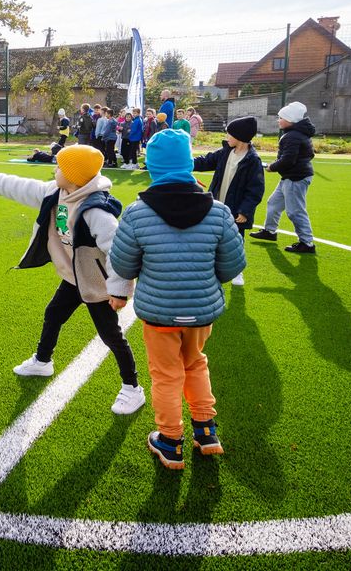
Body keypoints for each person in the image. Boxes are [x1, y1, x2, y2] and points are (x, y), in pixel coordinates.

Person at [0, 144, 146, 415]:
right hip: (74, 278)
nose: (55, 169)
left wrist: (119, 290)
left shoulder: (97, 211)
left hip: (97, 285)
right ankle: (42, 361)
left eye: (60, 167)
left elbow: (117, 250)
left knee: (111, 335)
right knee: (53, 314)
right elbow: (25, 187)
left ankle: (132, 388)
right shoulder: (56, 192)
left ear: (75, 177)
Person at [110, 129, 246, 469]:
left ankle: (170, 441)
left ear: (153, 168)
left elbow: (122, 264)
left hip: (160, 314)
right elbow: (232, 266)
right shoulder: (218, 212)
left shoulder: (137, 213)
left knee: (166, 374)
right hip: (201, 311)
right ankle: (205, 430)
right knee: (196, 362)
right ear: (188, 165)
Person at [193, 116, 265, 285]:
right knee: (212, 237)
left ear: (239, 137)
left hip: (236, 210)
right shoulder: (225, 151)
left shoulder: (252, 160)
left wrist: (245, 211)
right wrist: (186, 162)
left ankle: (237, 271)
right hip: (217, 205)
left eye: (229, 134)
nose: (226, 137)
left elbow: (255, 190)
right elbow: (205, 161)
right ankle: (212, 268)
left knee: (235, 240)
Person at [249, 101, 317, 254]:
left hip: (295, 178)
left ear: (290, 120)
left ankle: (307, 243)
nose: (278, 120)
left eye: (281, 117)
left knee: (295, 211)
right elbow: (308, 155)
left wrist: (272, 167)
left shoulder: (292, 136)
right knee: (273, 203)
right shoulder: (297, 134)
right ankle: (269, 232)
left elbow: (288, 160)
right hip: (291, 176)